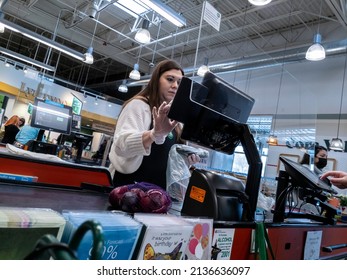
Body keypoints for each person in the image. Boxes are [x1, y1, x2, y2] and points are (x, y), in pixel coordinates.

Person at [108, 59, 200, 189]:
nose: (175, 85)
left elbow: (169, 161)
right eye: (170, 79)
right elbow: (121, 146)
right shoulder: (139, 105)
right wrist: (154, 134)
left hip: (159, 194)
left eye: (179, 82)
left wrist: (186, 161)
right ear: (156, 80)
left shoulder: (176, 119)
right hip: (128, 188)